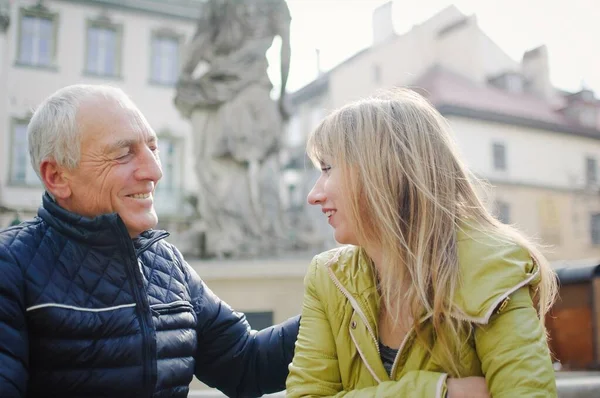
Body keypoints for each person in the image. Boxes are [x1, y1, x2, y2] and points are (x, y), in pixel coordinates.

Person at [0, 84, 299, 398]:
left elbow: (247, 364)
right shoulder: (10, 266)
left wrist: (340, 300)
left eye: (153, 148)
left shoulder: (164, 259)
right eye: (123, 153)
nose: (155, 171)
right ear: (57, 177)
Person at [286, 89, 558, 397]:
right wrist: (439, 392)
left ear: (383, 172)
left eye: (327, 169)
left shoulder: (493, 267)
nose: (314, 195)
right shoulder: (328, 277)